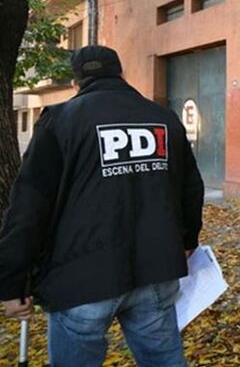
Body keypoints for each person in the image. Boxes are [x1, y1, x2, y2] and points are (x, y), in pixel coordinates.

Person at [0, 46, 204, 366]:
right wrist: (187, 241)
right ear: (121, 74)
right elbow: (191, 189)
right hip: (155, 269)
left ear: (76, 82)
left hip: (82, 277)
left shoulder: (60, 120)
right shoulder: (163, 118)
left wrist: (12, 281)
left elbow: (30, 207)